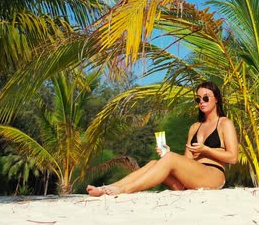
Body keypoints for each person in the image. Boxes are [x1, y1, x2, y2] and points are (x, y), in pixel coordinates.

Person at [86, 81, 238, 196]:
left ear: (216, 99)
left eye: (206, 98)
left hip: (213, 176)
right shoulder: (195, 127)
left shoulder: (225, 123)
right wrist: (168, 155)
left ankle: (125, 189)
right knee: (154, 162)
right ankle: (107, 188)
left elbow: (232, 157)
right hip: (191, 180)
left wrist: (206, 149)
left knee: (170, 158)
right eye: (198, 99)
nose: (202, 102)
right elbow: (188, 160)